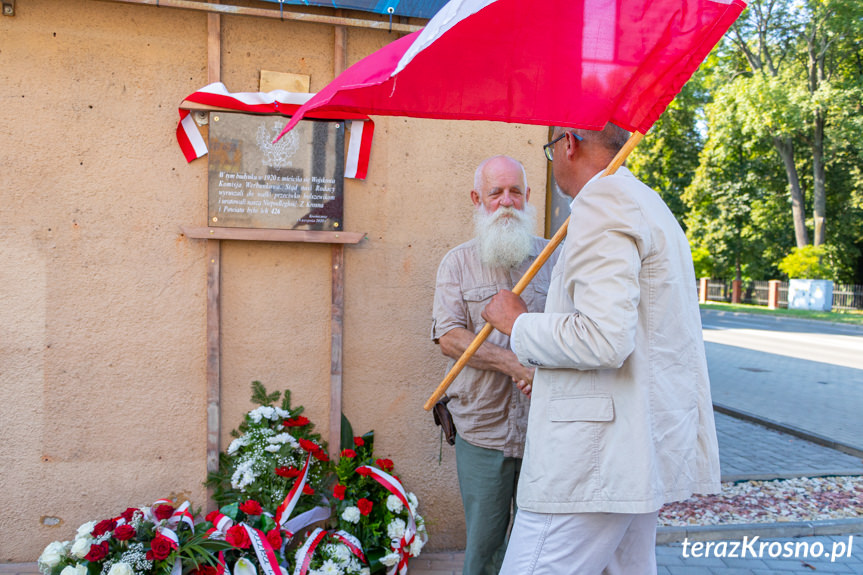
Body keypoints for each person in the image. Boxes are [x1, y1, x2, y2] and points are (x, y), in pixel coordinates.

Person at [481, 125, 721, 575]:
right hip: (634, 443)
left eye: (550, 151)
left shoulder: (601, 202)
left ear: (567, 143)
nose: (553, 162)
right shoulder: (647, 202)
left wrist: (517, 323)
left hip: (593, 458)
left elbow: (603, 337)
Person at [431, 155, 559, 575]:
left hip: (546, 430)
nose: (507, 201)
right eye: (496, 192)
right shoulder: (457, 262)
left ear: (527, 197)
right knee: (483, 552)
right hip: (482, 431)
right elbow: (449, 336)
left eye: (515, 191)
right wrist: (515, 365)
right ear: (477, 198)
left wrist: (543, 366)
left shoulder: (555, 259)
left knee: (538, 549)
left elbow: (572, 331)